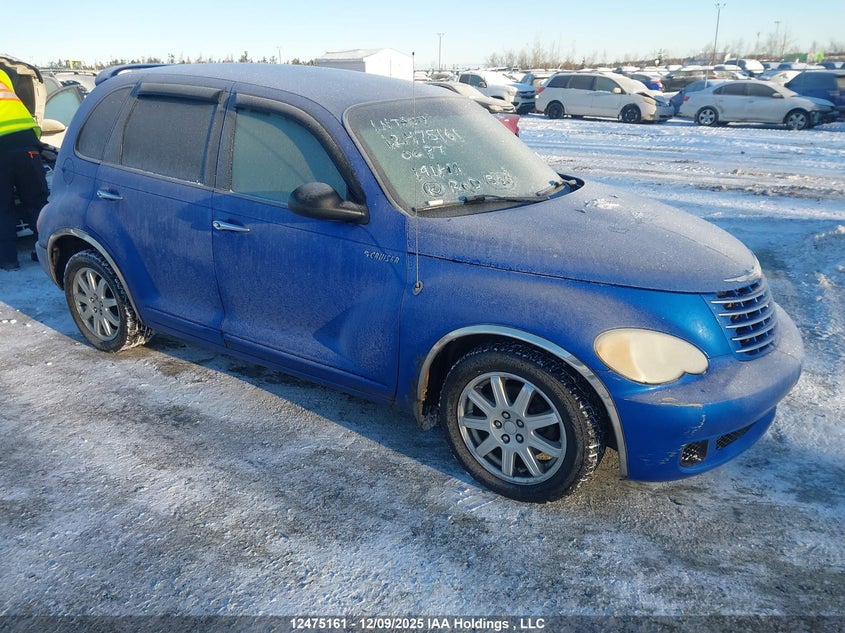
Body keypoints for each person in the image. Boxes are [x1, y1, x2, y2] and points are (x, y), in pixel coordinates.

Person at [0, 68, 49, 270]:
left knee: (3, 207)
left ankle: (8, 260)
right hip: (27, 142)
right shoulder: (2, 74)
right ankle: (48, 252)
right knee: (37, 201)